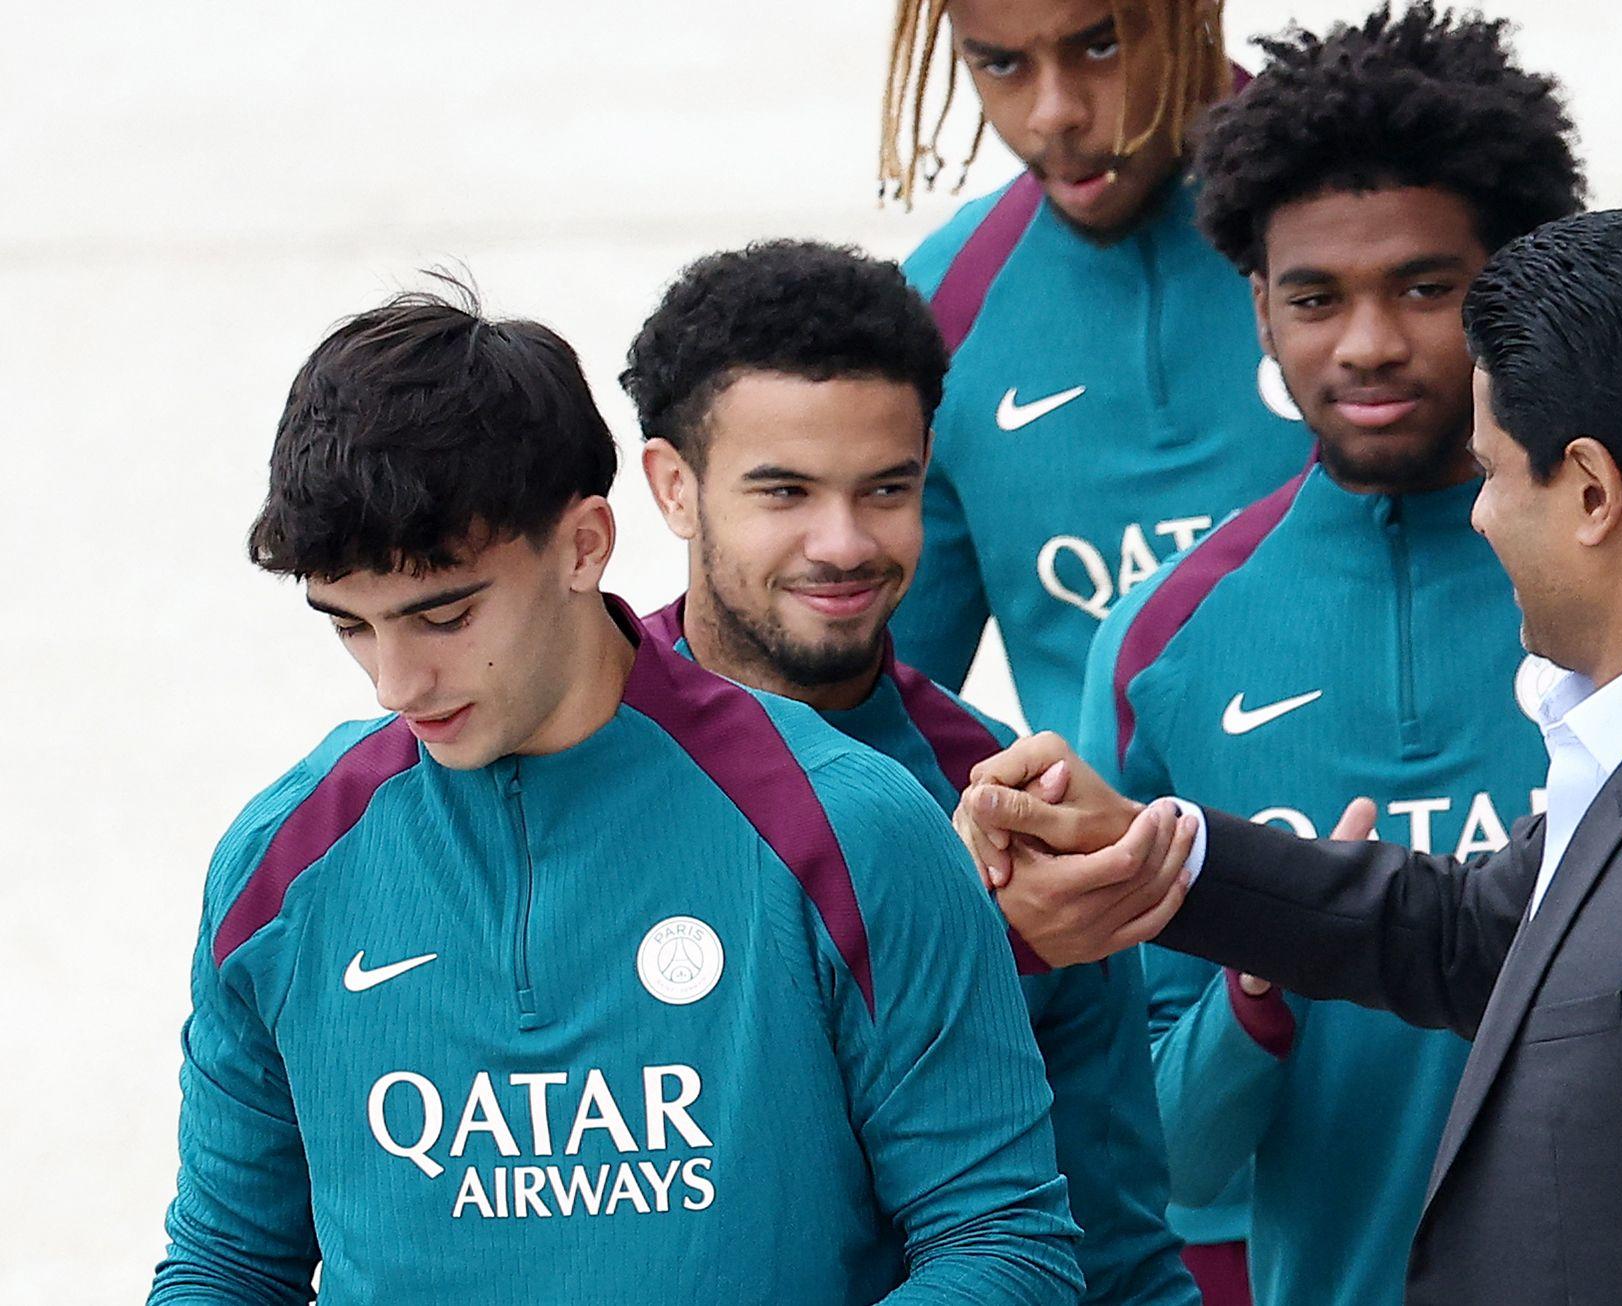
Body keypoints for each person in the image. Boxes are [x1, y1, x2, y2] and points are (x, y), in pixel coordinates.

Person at [1074, 9, 1622, 1303]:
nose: (1371, 342)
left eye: (1427, 287)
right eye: (1317, 295)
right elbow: (1447, 938)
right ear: (1259, 307)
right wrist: (1217, 924)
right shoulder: (1163, 643)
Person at [148, 285, 1084, 1303]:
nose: (395, 683)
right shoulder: (279, 866)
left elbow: (1001, 1241)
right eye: (351, 627)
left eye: (445, 615)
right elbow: (227, 1263)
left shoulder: (855, 828)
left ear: (585, 542)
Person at [618, 238, 1200, 1305]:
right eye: (784, 492)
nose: (841, 544)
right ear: (673, 486)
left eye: (884, 488)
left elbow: (1113, 1245)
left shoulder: (1015, 801)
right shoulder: (554, 758)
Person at [880, 0, 1311, 747]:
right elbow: (875, 723)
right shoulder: (940, 315)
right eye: (1001, 63)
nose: (1055, 114)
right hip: (1117, 864)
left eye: (1101, 46)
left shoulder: (1405, 245)